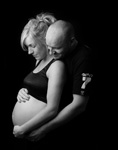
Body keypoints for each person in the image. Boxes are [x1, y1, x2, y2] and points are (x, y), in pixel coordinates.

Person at [17, 19, 95, 149]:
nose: (51, 53)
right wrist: (24, 92)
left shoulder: (83, 59)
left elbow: (79, 105)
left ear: (71, 41)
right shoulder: (54, 53)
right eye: (49, 47)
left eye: (56, 49)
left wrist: (43, 129)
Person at [12, 13, 67, 147]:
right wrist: (22, 92)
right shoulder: (39, 61)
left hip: (40, 136)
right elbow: (37, 88)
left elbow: (52, 109)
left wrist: (23, 129)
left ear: (43, 40)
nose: (29, 52)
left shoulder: (56, 66)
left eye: (32, 46)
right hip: (25, 134)